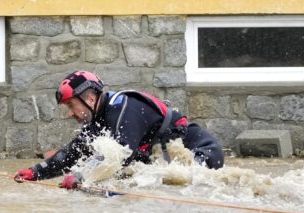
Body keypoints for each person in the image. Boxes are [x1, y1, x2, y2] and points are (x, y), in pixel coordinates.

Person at [14, 70, 224, 187]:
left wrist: (81, 177)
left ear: (89, 98)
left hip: (204, 153)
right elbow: (71, 155)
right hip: (168, 159)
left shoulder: (123, 107)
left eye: (71, 105)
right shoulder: (99, 121)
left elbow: (121, 155)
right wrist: (34, 172)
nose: (70, 113)